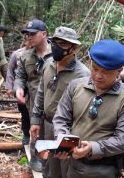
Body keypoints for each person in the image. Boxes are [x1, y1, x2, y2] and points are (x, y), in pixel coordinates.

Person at [53, 39, 124, 178]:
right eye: (95, 68)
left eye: (106, 72)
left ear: (119, 70)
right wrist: (63, 139)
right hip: (71, 164)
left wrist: (93, 148)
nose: (98, 76)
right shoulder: (75, 86)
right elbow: (61, 118)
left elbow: (123, 139)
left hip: (102, 170)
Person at [30, 26, 91, 178]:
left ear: (74, 48)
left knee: (65, 169)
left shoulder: (82, 75)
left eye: (63, 44)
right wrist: (36, 120)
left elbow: (84, 110)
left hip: (66, 129)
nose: (56, 47)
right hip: (45, 124)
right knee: (47, 166)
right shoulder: (48, 64)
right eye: (54, 42)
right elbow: (41, 93)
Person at [14, 19, 52, 172]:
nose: (28, 37)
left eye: (32, 34)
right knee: (35, 129)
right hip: (34, 101)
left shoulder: (57, 54)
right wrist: (19, 88)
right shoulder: (26, 56)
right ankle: (36, 158)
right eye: (26, 34)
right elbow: (20, 75)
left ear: (43, 34)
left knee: (52, 130)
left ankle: (52, 160)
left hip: (54, 100)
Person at [5, 36, 31, 145]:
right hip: (22, 87)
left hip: (37, 87)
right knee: (24, 112)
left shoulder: (43, 54)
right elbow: (10, 71)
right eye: (28, 40)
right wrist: (10, 87)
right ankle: (26, 134)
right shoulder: (17, 54)